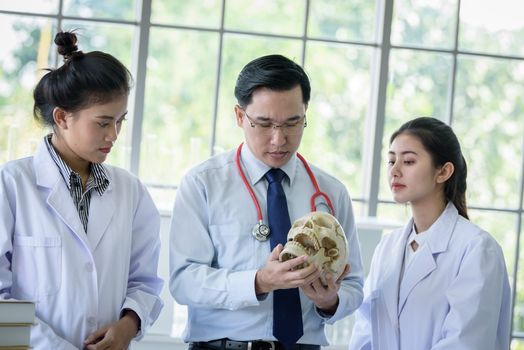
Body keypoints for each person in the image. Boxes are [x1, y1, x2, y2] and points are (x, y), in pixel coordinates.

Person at [169, 54, 364, 350]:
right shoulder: (203, 184)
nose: (279, 139)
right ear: (239, 116)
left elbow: (354, 284)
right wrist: (258, 281)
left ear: (305, 114)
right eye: (264, 124)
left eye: (292, 123)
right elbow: (183, 281)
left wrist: (330, 301)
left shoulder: (330, 191)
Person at [0, 31, 164, 349]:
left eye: (121, 121)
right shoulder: (12, 184)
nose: (114, 134)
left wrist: (128, 325)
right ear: (62, 117)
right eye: (103, 123)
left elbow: (145, 281)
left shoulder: (130, 192)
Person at [348, 117, 511, 350]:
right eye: (391, 160)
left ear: (443, 171)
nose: (394, 170)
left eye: (408, 161)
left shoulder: (477, 249)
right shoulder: (387, 247)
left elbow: (466, 342)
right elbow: (365, 332)